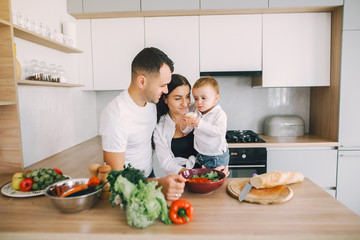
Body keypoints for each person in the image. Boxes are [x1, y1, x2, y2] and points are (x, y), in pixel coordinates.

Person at [99, 47, 186, 200]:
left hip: (149, 175)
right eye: (162, 85)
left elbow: (182, 105)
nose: (166, 90)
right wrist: (159, 184)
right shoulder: (116, 116)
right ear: (141, 81)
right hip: (128, 188)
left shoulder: (152, 101)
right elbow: (117, 180)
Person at [153, 74, 197, 176]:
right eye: (178, 98)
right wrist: (192, 175)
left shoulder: (197, 111)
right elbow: (166, 163)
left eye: (187, 96)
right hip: (179, 178)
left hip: (207, 173)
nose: (185, 103)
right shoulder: (160, 127)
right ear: (165, 99)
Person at [183, 76, 229, 171]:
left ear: (216, 98)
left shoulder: (219, 114)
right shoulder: (197, 111)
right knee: (205, 181)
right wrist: (185, 125)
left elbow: (219, 131)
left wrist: (199, 123)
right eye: (195, 98)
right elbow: (190, 128)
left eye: (204, 98)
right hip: (201, 154)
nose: (199, 102)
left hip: (216, 157)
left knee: (215, 182)